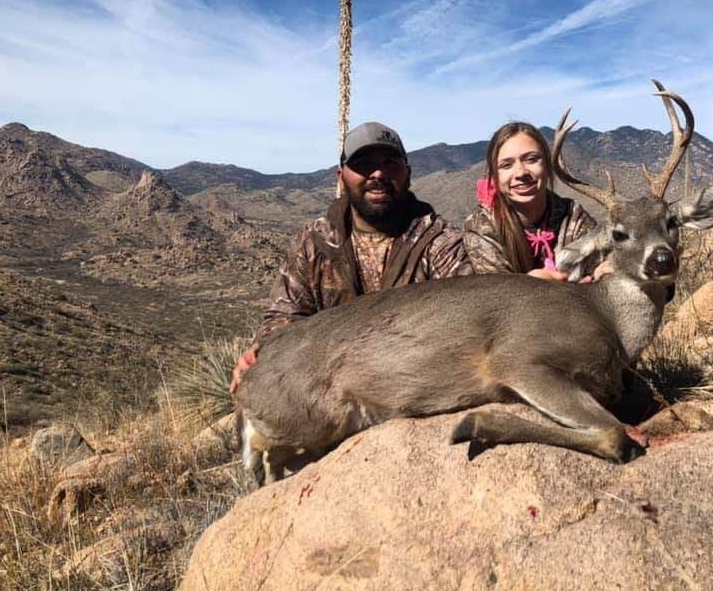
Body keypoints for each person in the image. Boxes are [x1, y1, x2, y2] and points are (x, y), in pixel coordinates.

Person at [230, 121, 472, 392]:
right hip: (328, 385)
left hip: (414, 384)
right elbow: (282, 318)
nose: (378, 173)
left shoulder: (440, 241)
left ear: (408, 174)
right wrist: (262, 352)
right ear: (341, 177)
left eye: (390, 163)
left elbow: (465, 321)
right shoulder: (313, 242)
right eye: (363, 164)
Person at [463, 121, 604, 280]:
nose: (521, 173)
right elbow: (497, 291)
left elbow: (596, 267)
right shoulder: (482, 226)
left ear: (548, 166)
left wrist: (601, 275)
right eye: (506, 165)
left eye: (531, 159)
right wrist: (535, 283)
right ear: (494, 176)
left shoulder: (573, 216)